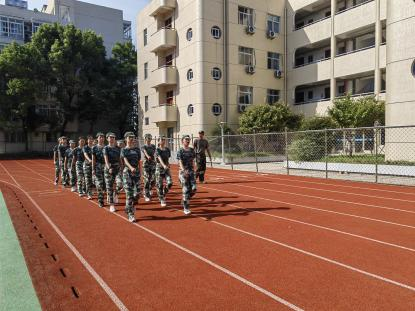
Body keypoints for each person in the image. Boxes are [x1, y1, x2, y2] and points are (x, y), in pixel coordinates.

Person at [121, 132, 141, 222]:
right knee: (129, 194)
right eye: (130, 137)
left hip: (136, 173)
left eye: (133, 137)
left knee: (137, 194)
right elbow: (125, 161)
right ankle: (130, 214)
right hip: (127, 173)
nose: (131, 139)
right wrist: (131, 168)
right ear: (126, 139)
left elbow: (138, 161)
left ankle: (128, 207)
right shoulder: (124, 150)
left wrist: (139, 171)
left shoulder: (137, 149)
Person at [177, 135, 197, 215]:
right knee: (185, 190)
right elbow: (180, 161)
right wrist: (183, 170)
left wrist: (194, 169)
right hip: (183, 172)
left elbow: (193, 160)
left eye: (189, 140)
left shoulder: (192, 150)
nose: (188, 141)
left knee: (194, 189)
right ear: (182, 141)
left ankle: (184, 199)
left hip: (191, 172)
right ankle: (186, 207)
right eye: (186, 140)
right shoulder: (180, 151)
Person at [103, 132, 121, 213]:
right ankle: (111, 204)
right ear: (107, 139)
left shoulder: (118, 148)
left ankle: (115, 193)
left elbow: (120, 158)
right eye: (110, 137)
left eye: (113, 137)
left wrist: (122, 166)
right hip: (109, 169)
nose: (112, 138)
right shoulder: (106, 148)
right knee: (109, 187)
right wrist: (109, 167)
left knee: (120, 184)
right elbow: (106, 159)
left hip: (117, 168)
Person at [155, 136, 173, 207]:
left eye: (164, 139)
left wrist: (167, 165)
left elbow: (167, 159)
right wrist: (164, 165)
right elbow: (159, 158)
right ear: (159, 141)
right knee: (160, 185)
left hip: (166, 168)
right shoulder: (157, 150)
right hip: (159, 168)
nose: (163, 141)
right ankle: (162, 198)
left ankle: (163, 193)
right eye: (161, 140)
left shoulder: (167, 149)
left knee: (170, 183)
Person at [92, 133, 106, 208]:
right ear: (97, 138)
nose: (101, 138)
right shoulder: (94, 148)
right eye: (100, 137)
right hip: (97, 167)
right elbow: (93, 159)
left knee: (106, 185)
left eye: (102, 137)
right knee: (99, 185)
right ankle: (101, 200)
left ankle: (111, 197)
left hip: (106, 168)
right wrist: (93, 169)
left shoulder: (106, 147)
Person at [141, 133, 156, 202]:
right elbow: (145, 152)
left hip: (153, 164)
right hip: (146, 164)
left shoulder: (153, 146)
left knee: (153, 179)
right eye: (148, 138)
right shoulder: (143, 146)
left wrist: (156, 158)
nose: (149, 139)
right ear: (145, 139)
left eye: (150, 138)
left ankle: (149, 189)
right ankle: (147, 194)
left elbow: (155, 153)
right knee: (147, 179)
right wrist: (148, 156)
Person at [83, 135, 94, 200]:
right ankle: (89, 193)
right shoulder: (85, 147)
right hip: (87, 165)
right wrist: (89, 160)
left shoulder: (94, 147)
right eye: (89, 139)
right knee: (88, 179)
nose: (90, 140)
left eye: (91, 139)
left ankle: (88, 189)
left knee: (93, 180)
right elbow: (85, 154)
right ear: (87, 141)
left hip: (94, 165)